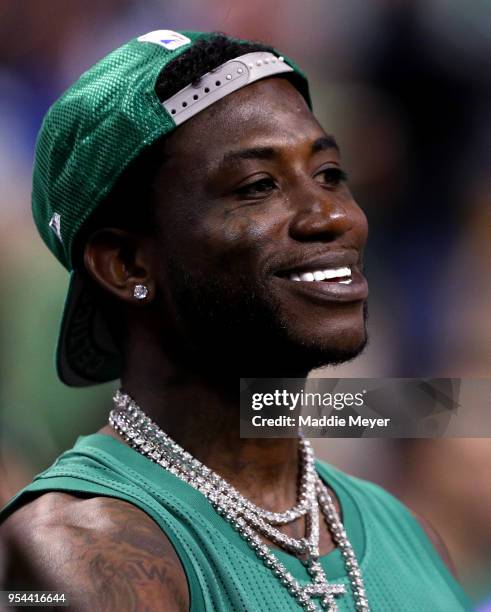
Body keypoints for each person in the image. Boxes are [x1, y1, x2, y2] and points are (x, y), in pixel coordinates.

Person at [0, 30, 470, 611]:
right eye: (258, 186)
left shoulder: (410, 536)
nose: (333, 216)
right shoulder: (78, 552)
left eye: (329, 174)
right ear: (126, 264)